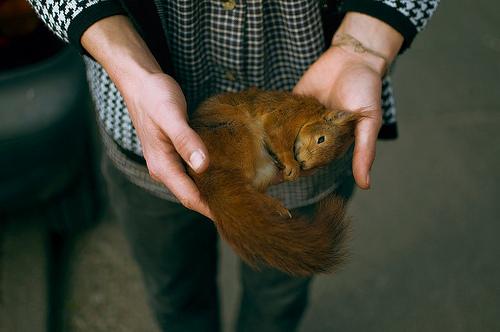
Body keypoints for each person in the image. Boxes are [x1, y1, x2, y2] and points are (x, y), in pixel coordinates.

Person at [29, 0, 440, 331]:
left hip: (324, 86)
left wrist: (365, 41)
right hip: (145, 131)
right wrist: (127, 62)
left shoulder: (318, 121)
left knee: (278, 296)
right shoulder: (289, 121)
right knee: (175, 290)